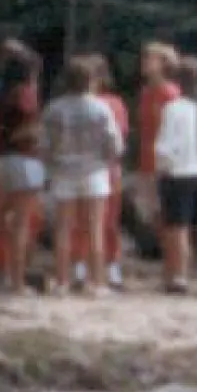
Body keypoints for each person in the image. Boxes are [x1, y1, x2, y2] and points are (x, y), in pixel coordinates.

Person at [43, 53, 126, 296]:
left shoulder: (54, 108)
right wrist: (107, 159)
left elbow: (45, 144)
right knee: (95, 228)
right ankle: (97, 283)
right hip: (94, 171)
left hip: (64, 171)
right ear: (90, 80)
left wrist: (52, 163)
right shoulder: (100, 107)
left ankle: (62, 281)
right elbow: (114, 143)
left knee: (64, 229)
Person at [0, 37, 48, 295]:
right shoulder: (26, 94)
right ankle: (17, 281)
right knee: (21, 223)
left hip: (0, 159)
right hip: (24, 159)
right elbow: (28, 129)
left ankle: (1, 272)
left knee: (1, 217)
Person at [151, 55, 197, 295]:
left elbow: (165, 144)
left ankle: (179, 276)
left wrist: (161, 166)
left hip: (178, 172)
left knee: (178, 227)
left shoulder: (173, 109)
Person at [130, 38, 187, 232]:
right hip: (146, 161)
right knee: (151, 215)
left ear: (165, 63)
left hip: (165, 165)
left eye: (150, 59)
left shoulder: (170, 93)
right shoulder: (145, 92)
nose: (144, 62)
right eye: (144, 58)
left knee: (167, 217)